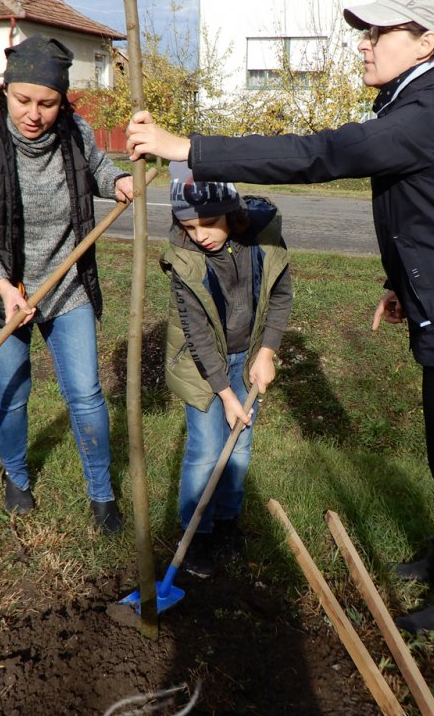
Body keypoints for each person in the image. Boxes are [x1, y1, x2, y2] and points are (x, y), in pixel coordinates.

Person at [126, 0, 434, 637]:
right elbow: (433, 210)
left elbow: (319, 155)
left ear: (425, 40)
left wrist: (189, 149)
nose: (363, 44)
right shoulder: (427, 104)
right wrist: (399, 282)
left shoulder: (431, 112)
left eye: (379, 32)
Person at [0, 34, 133, 532]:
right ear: (5, 90)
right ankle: (15, 476)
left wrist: (118, 181)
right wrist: (6, 289)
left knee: (87, 393)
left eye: (47, 103)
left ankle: (101, 494)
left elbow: (95, 167)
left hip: (65, 282)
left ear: (62, 101)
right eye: (23, 100)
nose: (34, 113)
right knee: (12, 393)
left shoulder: (75, 132)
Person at [162, 161, 292, 577]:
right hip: (202, 366)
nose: (201, 236)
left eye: (210, 224)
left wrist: (267, 352)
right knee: (205, 450)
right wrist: (227, 394)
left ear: (232, 213)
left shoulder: (264, 238)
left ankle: (227, 524)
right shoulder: (184, 257)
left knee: (240, 446)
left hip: (249, 354)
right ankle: (195, 532)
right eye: (190, 227)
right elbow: (196, 334)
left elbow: (281, 296)